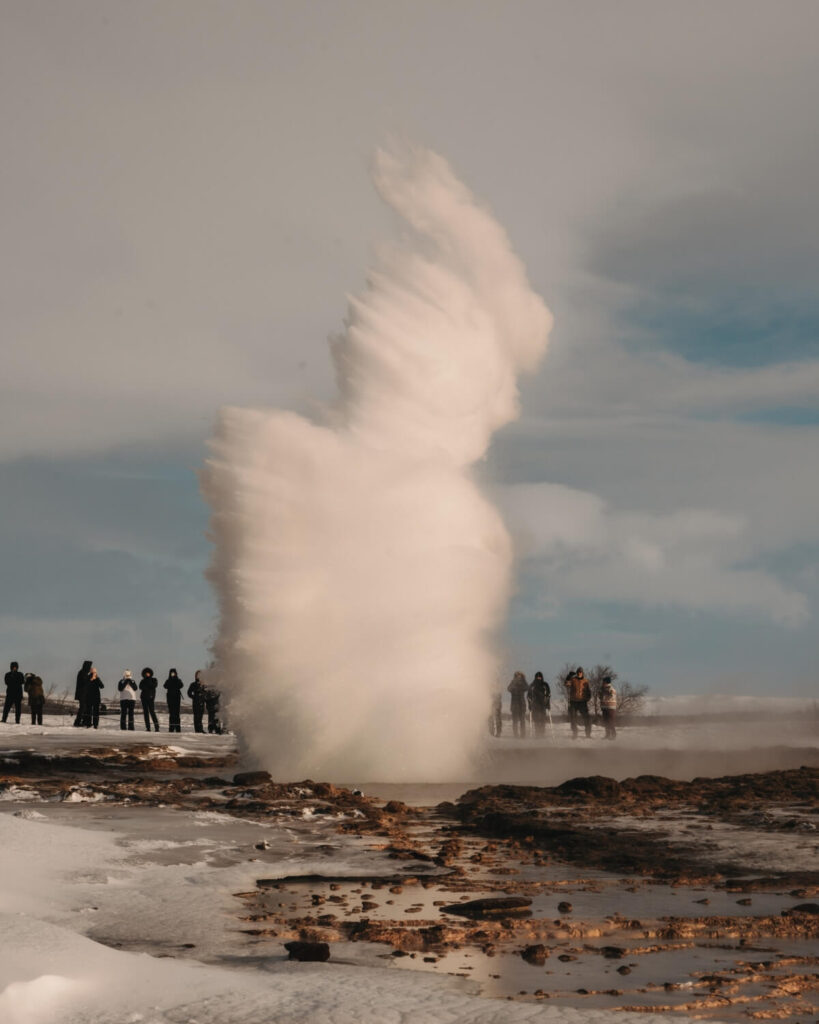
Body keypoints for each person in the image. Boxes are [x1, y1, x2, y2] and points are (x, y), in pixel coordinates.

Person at [565, 666, 591, 739]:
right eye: (578, 672)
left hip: (582, 702)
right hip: (573, 702)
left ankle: (588, 734)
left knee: (587, 718)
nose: (579, 673)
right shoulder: (573, 680)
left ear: (582, 673)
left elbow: (588, 691)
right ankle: (575, 733)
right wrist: (569, 676)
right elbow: (567, 684)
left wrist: (588, 697)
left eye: (581, 672)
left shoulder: (586, 681)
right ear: (577, 673)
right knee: (573, 719)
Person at [527, 671, 551, 738]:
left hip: (543, 705)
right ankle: (537, 734)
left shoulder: (545, 685)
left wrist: (548, 704)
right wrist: (530, 705)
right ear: (535, 677)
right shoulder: (532, 685)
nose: (538, 678)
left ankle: (542, 733)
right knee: (536, 720)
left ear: (542, 677)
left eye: (539, 677)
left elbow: (548, 695)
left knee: (542, 720)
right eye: (537, 677)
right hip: (535, 705)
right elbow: (528, 696)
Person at [507, 671, 529, 738]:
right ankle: (516, 735)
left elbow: (527, 688)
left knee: (522, 721)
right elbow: (509, 689)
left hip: (522, 705)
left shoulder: (523, 683)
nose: (519, 677)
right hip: (514, 705)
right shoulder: (513, 683)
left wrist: (524, 679)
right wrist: (514, 681)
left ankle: (523, 735)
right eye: (517, 676)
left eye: (520, 676)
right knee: (515, 721)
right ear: (515, 676)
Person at [139, 667, 160, 731]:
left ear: (150, 673)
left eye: (148, 673)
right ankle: (148, 728)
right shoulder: (142, 681)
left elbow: (154, 686)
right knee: (146, 713)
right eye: (146, 673)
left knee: (152, 712)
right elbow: (140, 687)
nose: (147, 674)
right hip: (144, 698)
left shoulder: (154, 679)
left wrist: (148, 680)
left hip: (151, 698)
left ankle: (157, 727)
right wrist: (146, 683)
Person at [163, 668, 184, 733]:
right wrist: (170, 681)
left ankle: (178, 728)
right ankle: (171, 728)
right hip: (170, 698)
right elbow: (165, 686)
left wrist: (176, 679)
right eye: (171, 673)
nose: (172, 674)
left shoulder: (178, 680)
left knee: (177, 713)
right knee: (171, 713)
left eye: (173, 673)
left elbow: (181, 685)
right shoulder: (168, 680)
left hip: (177, 698)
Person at [74, 660, 92, 727]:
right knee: (82, 708)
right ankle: (77, 722)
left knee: (84, 708)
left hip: (83, 694)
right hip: (82, 694)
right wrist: (90, 676)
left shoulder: (83, 672)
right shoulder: (82, 673)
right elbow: (85, 682)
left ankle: (83, 721)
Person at [600, 675, 617, 740]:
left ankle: (613, 735)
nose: (602, 683)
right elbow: (601, 697)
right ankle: (607, 734)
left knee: (610, 721)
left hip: (610, 707)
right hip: (604, 707)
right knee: (605, 722)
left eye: (603, 682)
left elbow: (611, 696)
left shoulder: (611, 689)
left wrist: (604, 693)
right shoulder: (602, 689)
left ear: (606, 682)